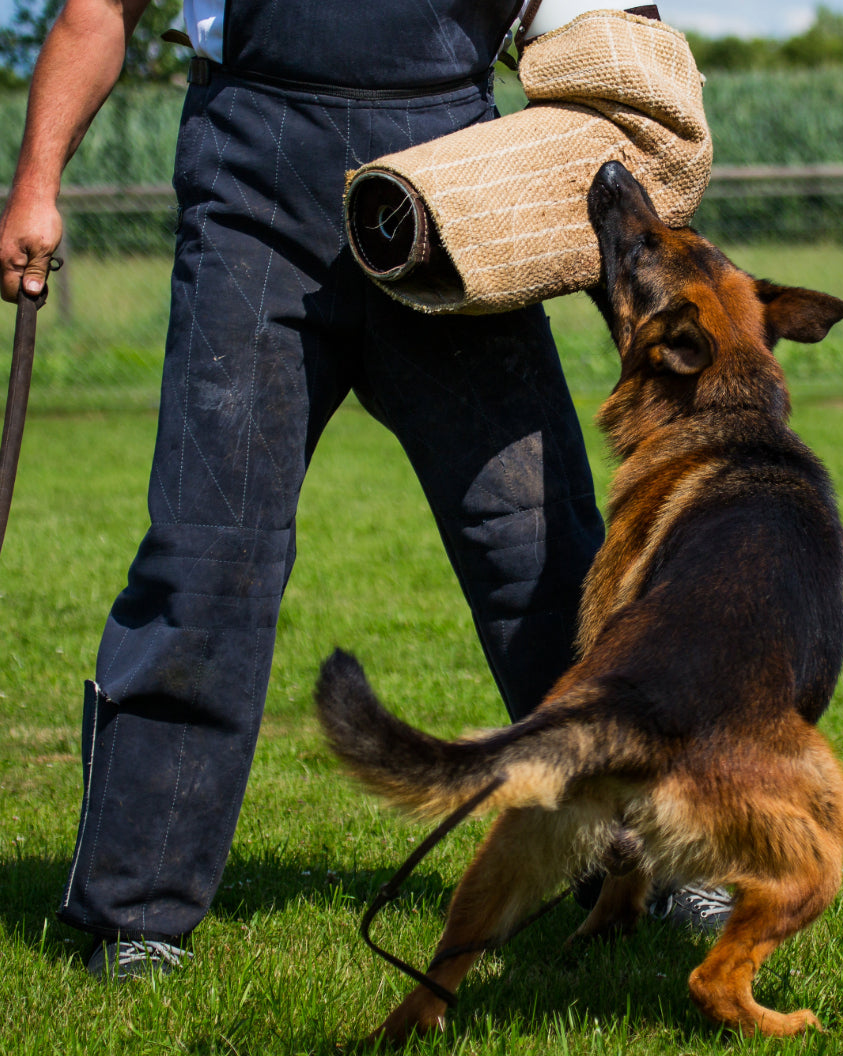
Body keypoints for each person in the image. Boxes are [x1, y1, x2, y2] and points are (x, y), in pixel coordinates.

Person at [0, 0, 729, 979]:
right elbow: (100, 8)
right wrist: (36, 185)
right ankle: (136, 915)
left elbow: (606, 39)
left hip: (451, 198)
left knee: (544, 552)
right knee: (206, 556)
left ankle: (651, 856)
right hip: (252, 194)